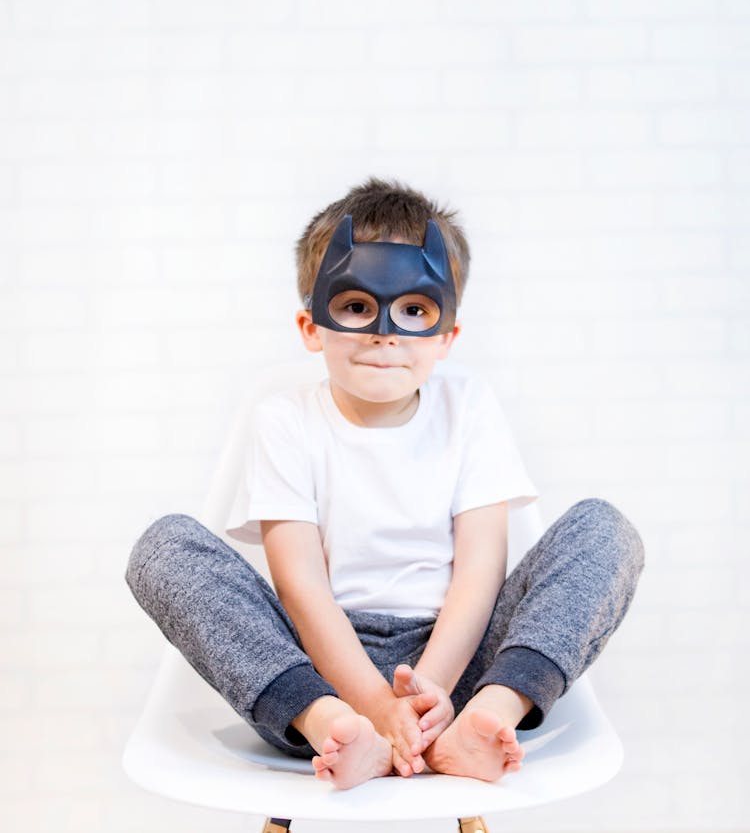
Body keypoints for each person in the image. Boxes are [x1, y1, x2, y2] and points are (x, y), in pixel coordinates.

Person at [126, 177, 644, 791]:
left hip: (458, 663)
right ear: (311, 327)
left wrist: (429, 696)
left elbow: (481, 573)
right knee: (165, 547)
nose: (385, 332)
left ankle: (486, 719)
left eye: (415, 311)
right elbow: (300, 587)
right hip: (317, 669)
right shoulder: (285, 421)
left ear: (447, 335)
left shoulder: (469, 407)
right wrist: (369, 704)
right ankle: (337, 731)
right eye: (354, 306)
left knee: (604, 529)